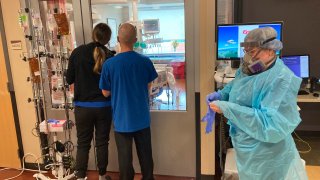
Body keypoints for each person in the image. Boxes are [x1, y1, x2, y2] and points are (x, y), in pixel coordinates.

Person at [205, 27, 308, 180]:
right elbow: (237, 85)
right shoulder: (250, 69)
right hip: (246, 146)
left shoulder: (282, 79)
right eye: (246, 52)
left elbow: (269, 124)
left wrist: (227, 107)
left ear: (271, 51)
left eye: (252, 52)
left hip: (268, 153)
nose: (248, 58)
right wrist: (222, 94)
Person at [99, 23, 158, 180]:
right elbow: (149, 85)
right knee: (146, 156)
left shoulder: (109, 64)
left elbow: (105, 93)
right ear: (136, 40)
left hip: (122, 120)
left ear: (118, 39)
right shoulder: (145, 61)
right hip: (142, 118)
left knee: (124, 160)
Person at [66, 23, 114, 180]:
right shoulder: (110, 56)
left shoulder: (77, 52)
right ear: (108, 39)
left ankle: (80, 176)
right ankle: (102, 175)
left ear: (93, 34)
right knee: (102, 142)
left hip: (83, 107)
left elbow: (69, 79)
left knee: (83, 143)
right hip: (103, 107)